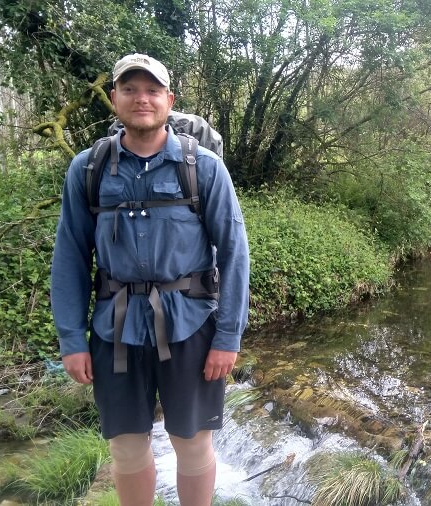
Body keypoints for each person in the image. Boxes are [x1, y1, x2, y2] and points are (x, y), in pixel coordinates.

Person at [50, 53, 250, 506]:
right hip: (113, 327)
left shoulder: (205, 169)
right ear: (115, 99)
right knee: (125, 446)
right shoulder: (87, 169)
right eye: (130, 89)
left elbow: (236, 253)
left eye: (152, 90)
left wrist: (228, 337)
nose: (142, 98)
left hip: (193, 324)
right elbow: (70, 257)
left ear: (168, 100)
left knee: (193, 443)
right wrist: (71, 339)